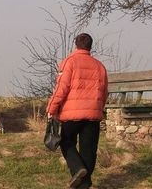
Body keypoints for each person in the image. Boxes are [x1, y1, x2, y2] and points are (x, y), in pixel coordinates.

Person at [47, 33, 108, 189]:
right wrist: (98, 109)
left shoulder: (69, 62)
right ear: (90, 46)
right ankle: (84, 183)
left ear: (76, 45)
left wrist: (51, 108)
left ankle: (78, 169)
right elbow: (104, 92)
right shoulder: (100, 66)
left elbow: (61, 88)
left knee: (66, 142)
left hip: (71, 115)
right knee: (89, 150)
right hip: (93, 116)